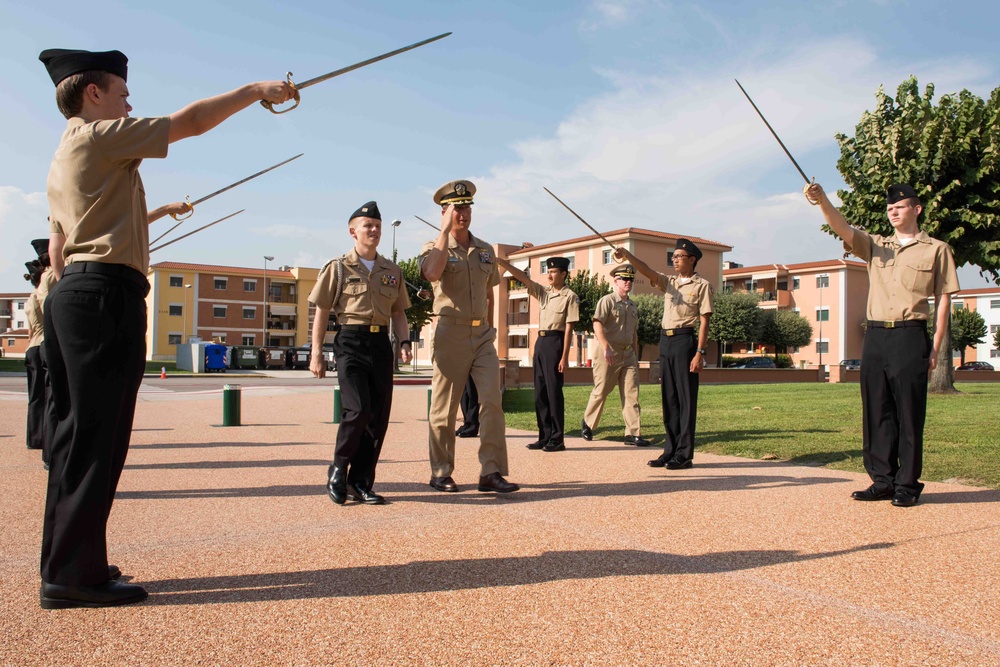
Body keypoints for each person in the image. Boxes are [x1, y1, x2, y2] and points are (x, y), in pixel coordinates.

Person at [38, 47, 294, 609]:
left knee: (76, 437)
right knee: (96, 439)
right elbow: (192, 123)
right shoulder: (99, 136)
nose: (131, 104)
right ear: (93, 93)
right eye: (123, 93)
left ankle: (71, 561)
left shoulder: (68, 154)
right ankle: (72, 577)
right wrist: (255, 90)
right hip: (103, 295)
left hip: (78, 293)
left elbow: (57, 250)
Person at [805, 182, 959, 507]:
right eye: (890, 208)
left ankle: (907, 484)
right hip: (875, 335)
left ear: (916, 209)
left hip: (909, 334)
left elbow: (943, 300)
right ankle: (882, 480)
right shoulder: (877, 246)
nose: (893, 211)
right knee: (877, 410)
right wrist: (822, 200)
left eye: (900, 206)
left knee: (909, 411)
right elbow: (842, 227)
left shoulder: (937, 249)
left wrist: (935, 345)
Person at [308, 201, 413, 506]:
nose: (375, 231)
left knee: (378, 417)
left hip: (381, 345)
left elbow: (399, 313)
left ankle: (361, 481)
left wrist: (404, 343)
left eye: (378, 226)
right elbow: (322, 310)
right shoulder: (338, 268)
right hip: (350, 341)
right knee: (357, 410)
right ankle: (338, 469)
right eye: (368, 226)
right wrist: (317, 353)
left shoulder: (391, 270)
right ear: (353, 231)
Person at [419, 180, 518, 493]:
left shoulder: (485, 250)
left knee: (492, 400)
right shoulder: (433, 247)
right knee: (445, 408)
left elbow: (490, 291)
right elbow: (432, 274)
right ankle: (441, 472)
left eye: (467, 207)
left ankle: (491, 472)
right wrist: (444, 233)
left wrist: (491, 326)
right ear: (445, 211)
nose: (463, 213)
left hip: (482, 334)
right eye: (457, 207)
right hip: (451, 331)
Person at [615, 241, 713, 469]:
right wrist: (628, 254)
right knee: (669, 399)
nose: (675, 260)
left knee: (685, 398)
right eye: (674, 256)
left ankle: (685, 454)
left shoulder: (702, 286)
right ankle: (670, 450)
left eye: (680, 256)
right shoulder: (669, 283)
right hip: (665, 341)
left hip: (684, 341)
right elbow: (646, 269)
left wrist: (700, 352)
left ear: (692, 259)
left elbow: (705, 320)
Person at [496, 256, 580, 452]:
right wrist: (503, 263)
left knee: (553, 393)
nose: (549, 275)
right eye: (548, 271)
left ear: (563, 274)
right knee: (540, 394)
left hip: (555, 343)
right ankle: (544, 436)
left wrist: (565, 356)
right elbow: (524, 279)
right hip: (540, 343)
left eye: (553, 272)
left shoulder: (570, 297)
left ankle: (557, 439)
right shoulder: (544, 293)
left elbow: (569, 328)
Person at [581, 264, 650, 446]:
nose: (628, 282)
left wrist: (635, 355)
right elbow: (597, 325)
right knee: (602, 390)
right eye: (624, 279)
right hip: (608, 352)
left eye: (631, 279)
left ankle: (632, 434)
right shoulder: (607, 301)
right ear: (616, 281)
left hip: (628, 354)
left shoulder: (633, 305)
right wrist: (606, 348)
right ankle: (588, 423)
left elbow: (634, 333)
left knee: (631, 394)